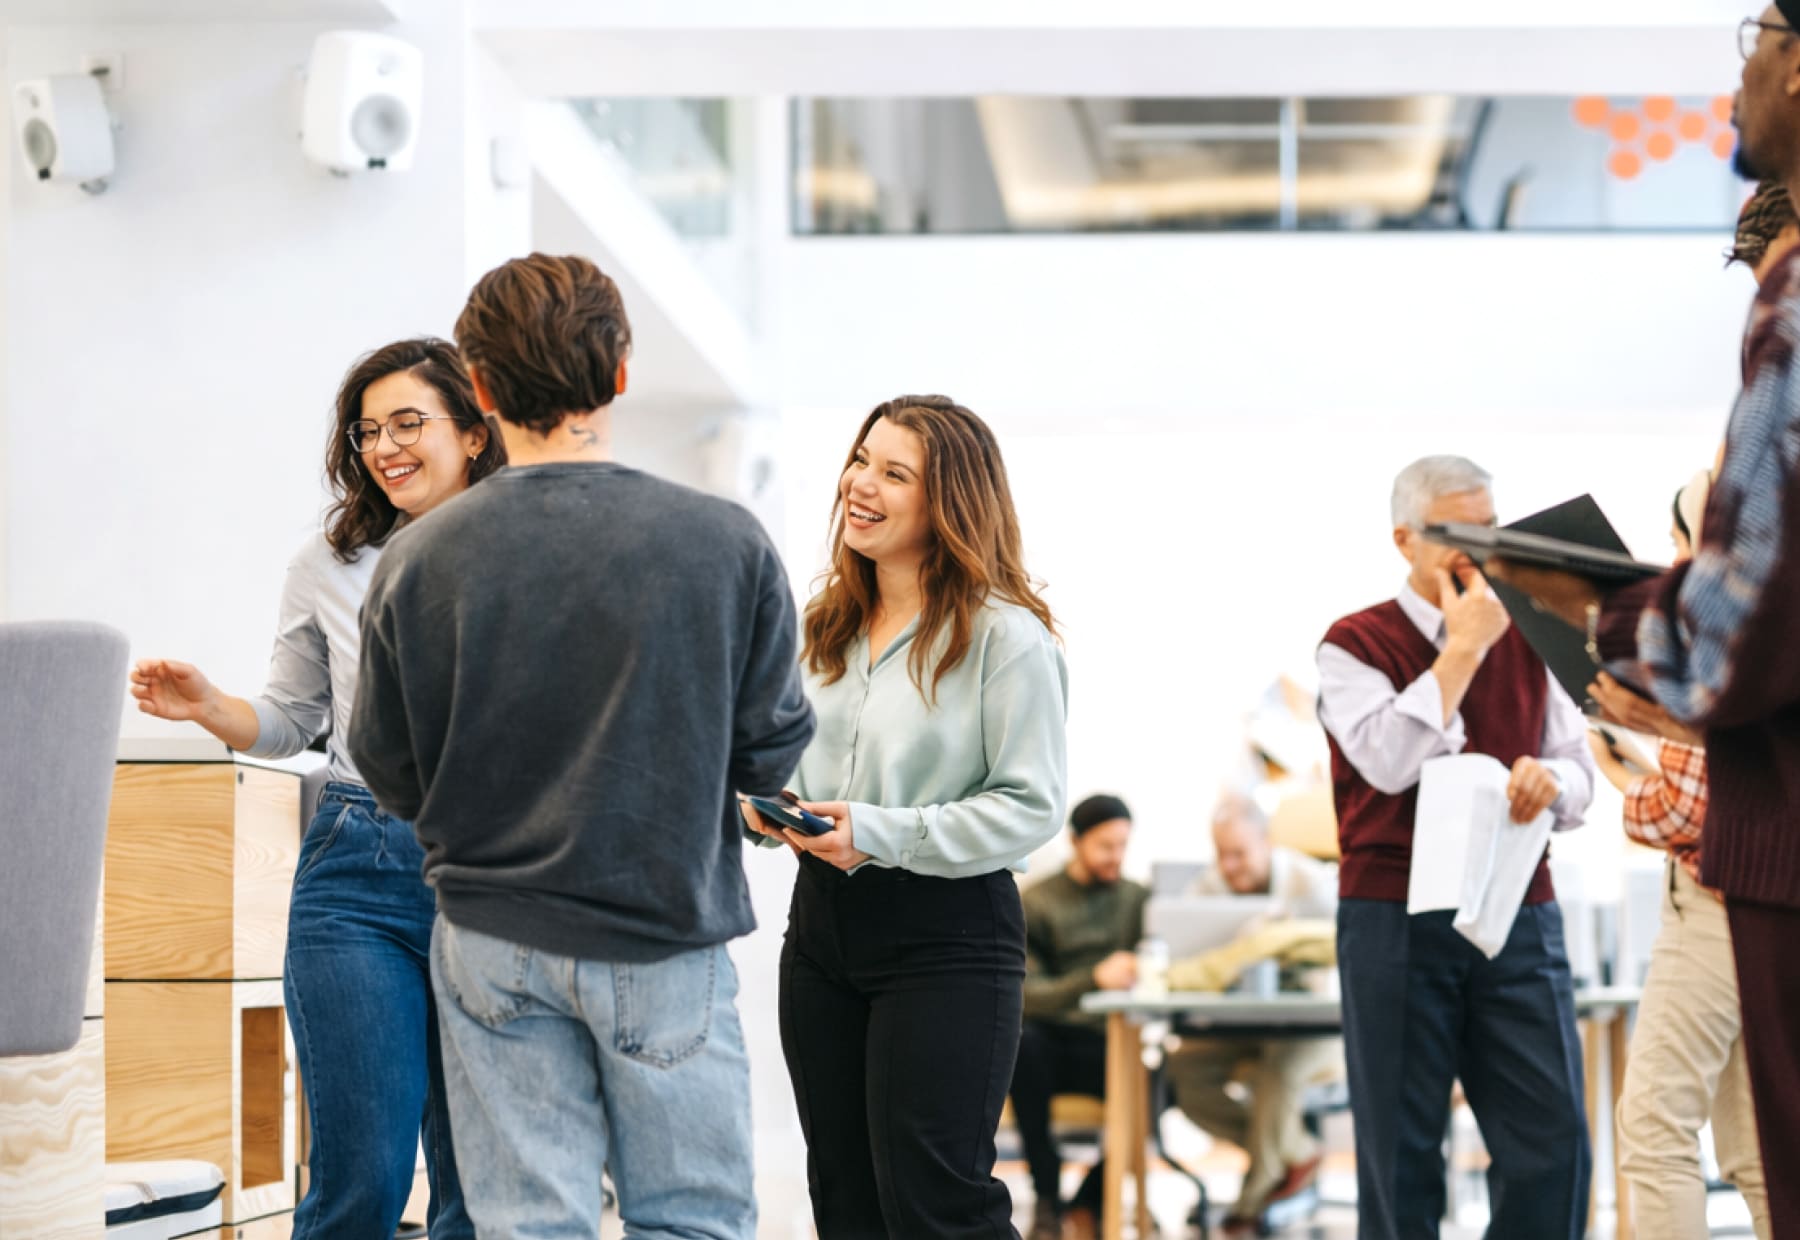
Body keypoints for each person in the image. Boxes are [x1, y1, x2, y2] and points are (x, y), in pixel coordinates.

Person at [348, 254, 816, 1240]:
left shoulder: (418, 558)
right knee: (692, 1221)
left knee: (528, 1225)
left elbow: (387, 769)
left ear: (480, 388)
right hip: (663, 927)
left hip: (490, 936)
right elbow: (770, 752)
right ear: (621, 372)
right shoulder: (724, 540)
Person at [1489, 14, 1800, 1227]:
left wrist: (1605, 618)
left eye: (1755, 38)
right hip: (1738, 836)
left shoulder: (1790, 316)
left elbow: (1737, 638)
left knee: (1662, 1125)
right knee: (1758, 1141)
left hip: (1749, 850)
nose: (1738, 75)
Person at [129, 338, 499, 1239]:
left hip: (496, 874)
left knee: (483, 1193)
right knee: (364, 1179)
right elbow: (293, 718)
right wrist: (211, 707)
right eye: (367, 431)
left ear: (475, 433)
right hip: (360, 867)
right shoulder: (330, 562)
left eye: (407, 423)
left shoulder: (529, 555)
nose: (384, 447)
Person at [743, 394, 1069, 1239]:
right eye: (861, 459)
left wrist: (878, 831)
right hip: (822, 932)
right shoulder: (824, 626)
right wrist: (764, 808)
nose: (861, 484)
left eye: (895, 474)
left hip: (947, 935)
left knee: (938, 1207)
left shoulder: (1006, 639)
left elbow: (1030, 807)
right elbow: (784, 764)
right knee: (845, 1203)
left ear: (948, 504)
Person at [1318, 454, 1596, 1239]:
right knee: (1400, 1155)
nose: (1481, 546)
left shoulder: (1531, 628)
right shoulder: (1352, 643)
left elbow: (1580, 770)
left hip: (1517, 906)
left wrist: (1553, 781)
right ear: (1405, 540)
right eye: (1457, 531)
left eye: (1491, 526)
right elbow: (1388, 762)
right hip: (1394, 917)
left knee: (1554, 1147)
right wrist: (1463, 649)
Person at [1586, 475, 1769, 1240]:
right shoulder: (1775, 619)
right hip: (1767, 910)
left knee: (1655, 1125)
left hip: (1715, 906)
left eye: (1676, 541)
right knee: (1759, 1149)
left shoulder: (1715, 630)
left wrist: (1621, 778)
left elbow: (1687, 808)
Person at [1164, 794, 1341, 1234]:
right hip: (1237, 1026)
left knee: (1276, 1075)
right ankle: (1295, 1152)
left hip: (1313, 1030)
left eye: (1239, 854)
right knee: (1180, 1069)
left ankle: (1251, 1202)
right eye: (1221, 854)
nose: (1229, 866)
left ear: (1267, 842)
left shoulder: (1313, 884)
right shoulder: (1206, 890)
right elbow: (1185, 956)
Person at [1010, 793, 1147, 1240]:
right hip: (1050, 1042)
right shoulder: (1038, 902)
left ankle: (1088, 1198)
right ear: (1076, 842)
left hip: (1110, 1043)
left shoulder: (1138, 900)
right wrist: (1094, 979)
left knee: (1161, 1088)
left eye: (1123, 846)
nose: (1116, 856)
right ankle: (1047, 1197)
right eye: (1106, 846)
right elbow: (1026, 994)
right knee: (1024, 1046)